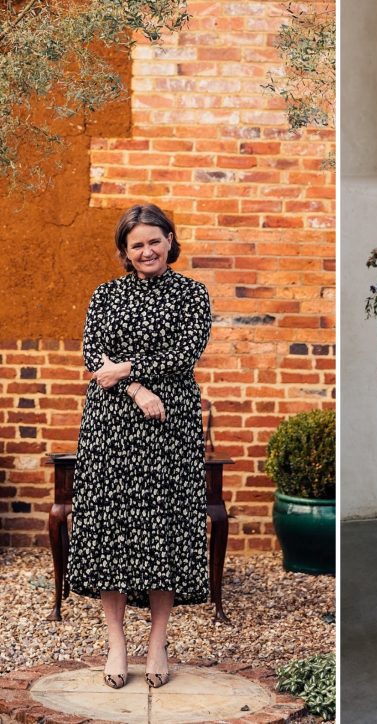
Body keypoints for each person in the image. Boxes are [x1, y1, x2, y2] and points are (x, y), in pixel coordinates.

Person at [67, 204, 212, 690]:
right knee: (111, 526)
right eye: (137, 245)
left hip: (170, 427)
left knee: (164, 527)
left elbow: (184, 353)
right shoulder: (105, 295)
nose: (147, 250)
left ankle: (157, 640)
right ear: (124, 253)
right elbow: (95, 356)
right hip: (111, 426)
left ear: (170, 240)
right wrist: (137, 389)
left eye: (154, 240)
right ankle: (115, 642)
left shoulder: (191, 294)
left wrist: (127, 370)